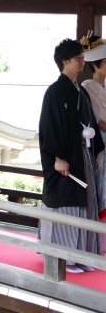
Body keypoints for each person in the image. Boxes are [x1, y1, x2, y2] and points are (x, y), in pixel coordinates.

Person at [38, 38, 104, 273]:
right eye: (78, 58)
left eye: (82, 57)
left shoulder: (80, 91)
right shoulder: (55, 92)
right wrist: (55, 157)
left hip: (82, 154)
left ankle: (83, 255)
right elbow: (48, 127)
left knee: (86, 203)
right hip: (64, 159)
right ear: (65, 61)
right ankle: (65, 256)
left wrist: (93, 152)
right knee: (66, 203)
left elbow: (89, 122)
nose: (82, 61)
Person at [80, 34, 106, 255]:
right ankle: (97, 239)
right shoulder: (88, 86)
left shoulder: (104, 86)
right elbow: (94, 119)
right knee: (100, 189)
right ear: (98, 64)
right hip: (98, 145)